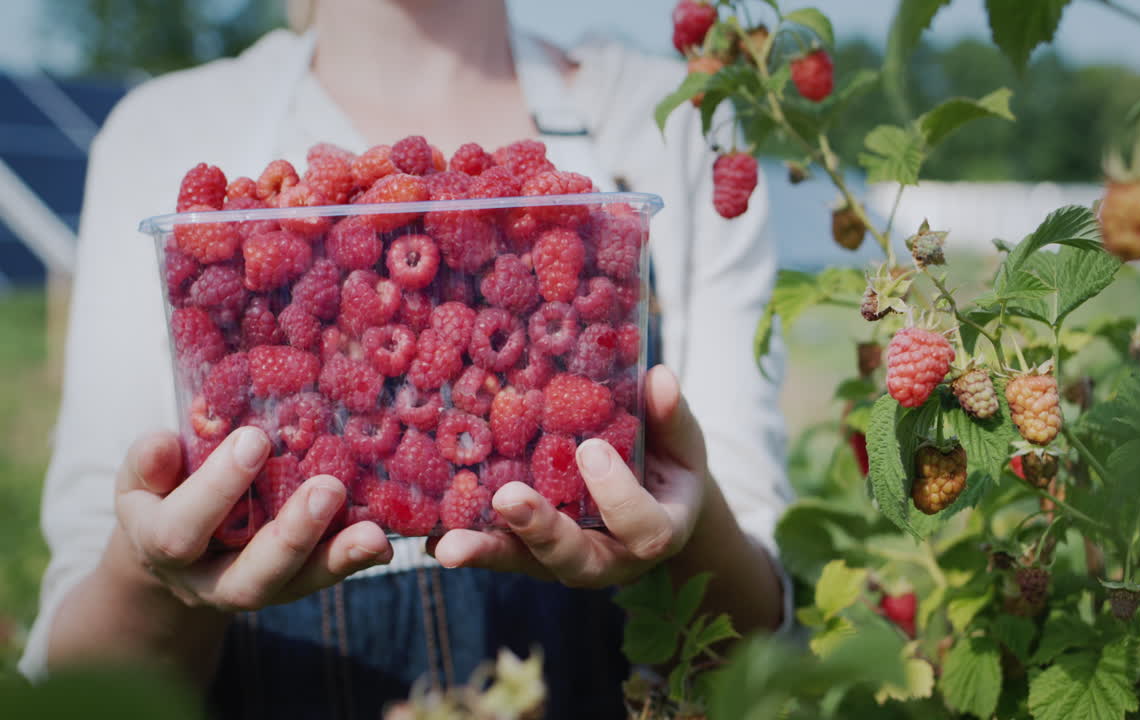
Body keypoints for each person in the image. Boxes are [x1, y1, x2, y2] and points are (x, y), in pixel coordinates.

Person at [21, 1, 791, 716]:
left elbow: (755, 648)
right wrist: (158, 580)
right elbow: (80, 684)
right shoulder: (164, 129)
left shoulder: (676, 128)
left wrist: (690, 534)